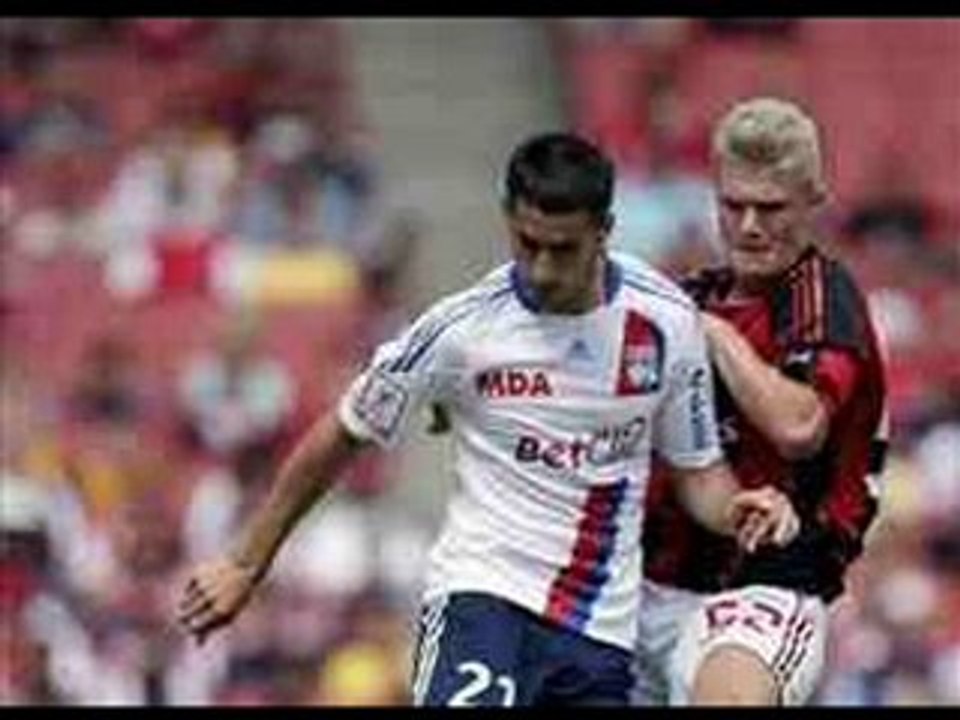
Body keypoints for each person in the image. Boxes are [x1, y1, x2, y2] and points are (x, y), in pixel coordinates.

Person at [175, 131, 800, 706]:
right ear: (509, 220)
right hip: (483, 600)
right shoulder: (461, 330)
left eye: (564, 249)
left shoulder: (666, 322)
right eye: (528, 245)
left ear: (605, 229)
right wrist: (245, 563)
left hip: (599, 631)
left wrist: (737, 508)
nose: (544, 269)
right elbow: (344, 433)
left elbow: (698, 473)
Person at [631, 97, 889, 706]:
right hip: (641, 586)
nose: (749, 226)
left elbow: (799, 426)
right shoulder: (686, 296)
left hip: (765, 583)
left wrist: (714, 335)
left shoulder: (825, 298)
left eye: (770, 208)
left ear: (813, 202)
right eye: (733, 204)